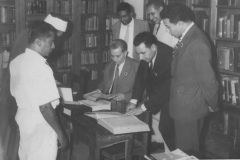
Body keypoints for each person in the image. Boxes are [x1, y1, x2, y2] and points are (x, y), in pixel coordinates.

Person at [161, 3, 219, 155]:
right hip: (183, 107)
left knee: (187, 153)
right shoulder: (188, 36)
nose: (168, 31)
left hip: (189, 110)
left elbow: (208, 80)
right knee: (182, 151)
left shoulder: (197, 42)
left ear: (179, 23)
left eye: (168, 26)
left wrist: (212, 103)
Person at [9, 21, 68, 160]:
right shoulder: (42, 67)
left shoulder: (16, 61)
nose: (53, 46)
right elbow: (45, 107)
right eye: (51, 42)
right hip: (41, 125)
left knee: (26, 156)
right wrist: (61, 134)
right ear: (38, 42)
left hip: (24, 120)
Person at [126, 32, 175, 150]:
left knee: (166, 128)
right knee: (153, 123)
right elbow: (140, 77)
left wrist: (142, 107)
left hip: (172, 98)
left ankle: (172, 154)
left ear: (153, 47)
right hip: (158, 94)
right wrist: (133, 101)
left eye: (143, 53)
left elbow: (165, 90)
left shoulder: (169, 57)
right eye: (138, 54)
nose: (140, 58)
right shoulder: (147, 54)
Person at [99, 39, 139, 113]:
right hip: (107, 105)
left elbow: (143, 92)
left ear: (125, 53)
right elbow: (104, 84)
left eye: (118, 56)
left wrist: (125, 96)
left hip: (126, 107)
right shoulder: (109, 65)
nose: (114, 59)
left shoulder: (136, 67)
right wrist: (98, 91)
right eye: (112, 56)